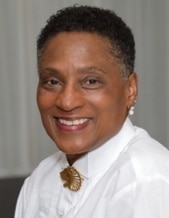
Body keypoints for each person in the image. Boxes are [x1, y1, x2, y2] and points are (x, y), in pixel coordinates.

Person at [15, 5, 169, 218]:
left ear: (130, 89)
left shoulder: (145, 181)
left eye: (91, 81)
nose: (67, 102)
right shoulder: (41, 178)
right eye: (52, 81)